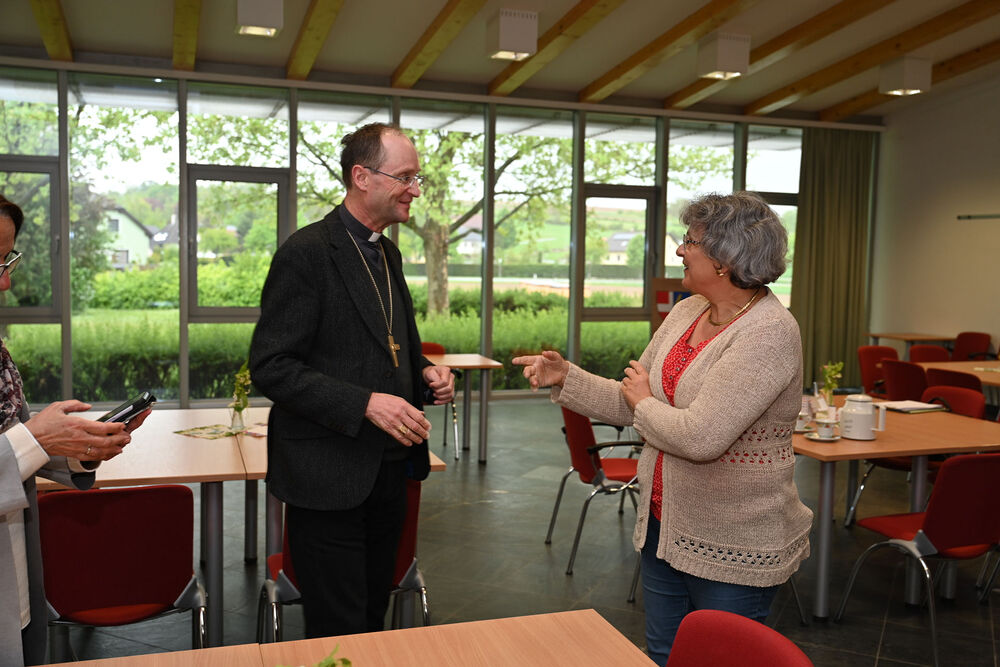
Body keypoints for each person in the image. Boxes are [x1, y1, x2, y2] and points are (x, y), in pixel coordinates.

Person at [514, 191, 812, 665]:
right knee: (663, 655)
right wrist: (567, 376)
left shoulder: (769, 332)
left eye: (690, 241)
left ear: (724, 260)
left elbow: (700, 437)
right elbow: (631, 400)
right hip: (664, 525)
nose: (679, 250)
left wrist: (645, 401)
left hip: (732, 541)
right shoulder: (686, 312)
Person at [249, 122, 454, 638]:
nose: (415, 189)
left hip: (389, 473)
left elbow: (393, 348)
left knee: (370, 620)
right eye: (405, 177)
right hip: (328, 476)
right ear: (362, 177)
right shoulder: (307, 251)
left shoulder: (388, 253)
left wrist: (425, 375)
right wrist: (364, 403)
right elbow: (272, 365)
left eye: (417, 178)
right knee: (337, 631)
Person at [0, 195, 150, 667]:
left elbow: (15, 446)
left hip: (15, 579)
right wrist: (37, 439)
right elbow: (21, 444)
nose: (5, 282)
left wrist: (81, 448)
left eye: (7, 261)